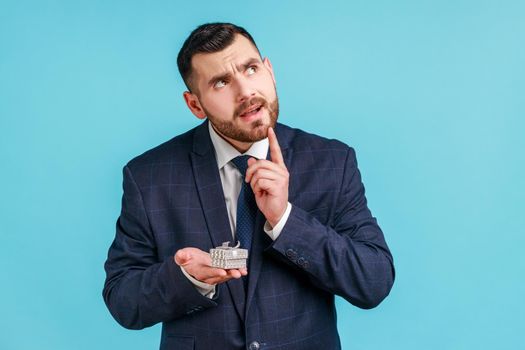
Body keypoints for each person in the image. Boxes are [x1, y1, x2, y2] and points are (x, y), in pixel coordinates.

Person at [103, 22, 395, 350]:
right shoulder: (149, 176)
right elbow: (123, 301)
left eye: (251, 69)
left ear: (269, 71)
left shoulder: (332, 161)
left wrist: (285, 219)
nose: (245, 92)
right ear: (195, 105)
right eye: (221, 82)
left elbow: (374, 281)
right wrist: (188, 278)